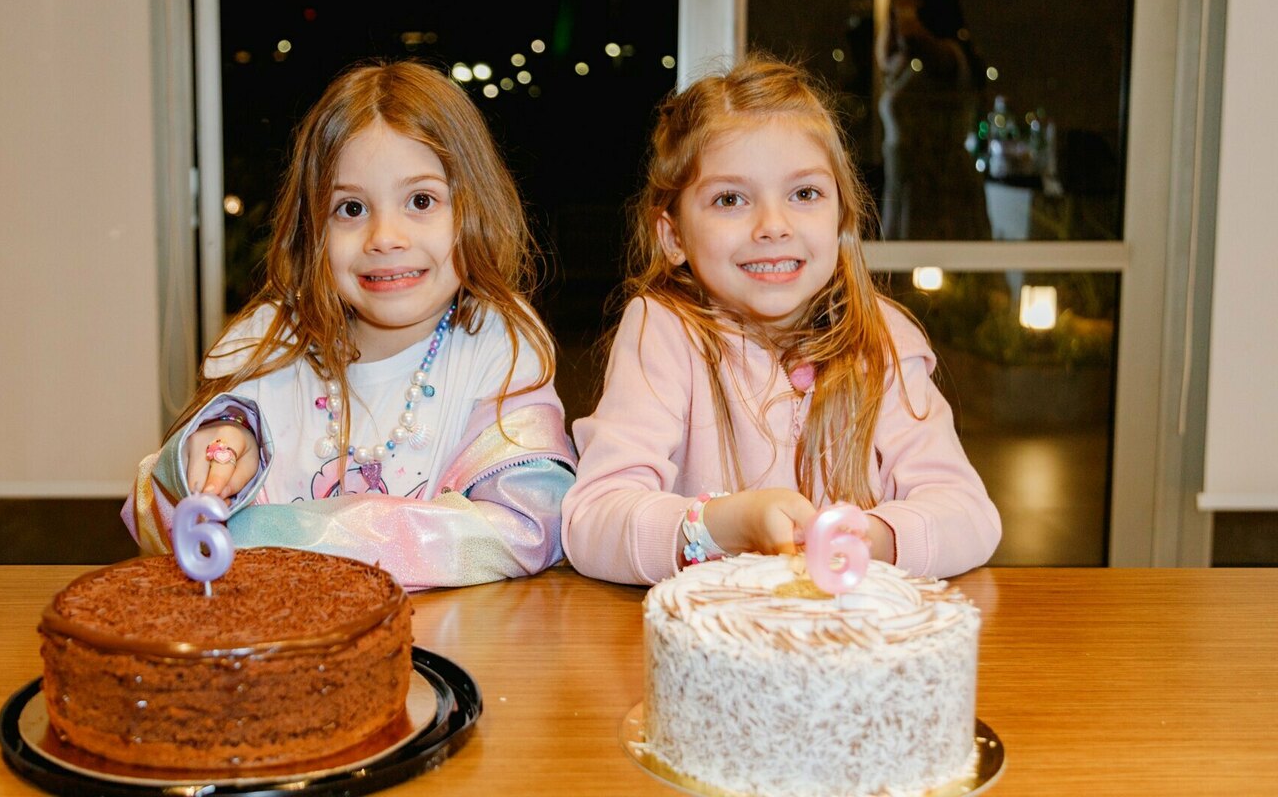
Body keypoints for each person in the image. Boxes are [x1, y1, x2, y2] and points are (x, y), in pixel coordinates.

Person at [124, 60, 576, 590]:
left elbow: (530, 526)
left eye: (421, 201)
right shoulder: (267, 343)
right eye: (352, 208)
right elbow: (159, 522)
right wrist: (206, 461)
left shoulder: (498, 345)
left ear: (474, 210)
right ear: (312, 228)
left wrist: (281, 536)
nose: (384, 237)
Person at [561, 54, 1000, 586]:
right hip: (716, 632)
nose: (773, 225)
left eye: (804, 194)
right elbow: (593, 521)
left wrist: (873, 537)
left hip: (851, 632)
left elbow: (969, 514)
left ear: (841, 217)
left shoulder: (883, 338)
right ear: (673, 236)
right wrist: (725, 525)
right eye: (730, 199)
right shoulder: (663, 331)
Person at [877, 0, 991, 240]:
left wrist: (905, 12)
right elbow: (885, 58)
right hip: (906, 181)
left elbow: (913, 39)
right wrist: (893, 17)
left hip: (940, 184)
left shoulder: (950, 57)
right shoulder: (907, 67)